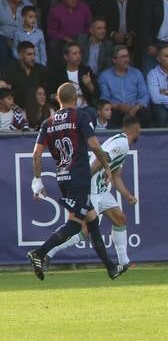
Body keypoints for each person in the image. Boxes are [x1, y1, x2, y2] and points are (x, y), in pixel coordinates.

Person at [25, 82, 120, 281]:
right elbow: (94, 145)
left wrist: (37, 179)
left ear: (58, 99)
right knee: (76, 224)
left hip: (63, 179)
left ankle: (112, 267)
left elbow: (36, 154)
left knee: (92, 222)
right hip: (79, 178)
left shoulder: (47, 123)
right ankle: (40, 253)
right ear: (75, 98)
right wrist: (107, 167)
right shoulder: (81, 116)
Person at [43, 113, 141, 272]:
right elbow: (102, 158)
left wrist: (127, 195)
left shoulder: (122, 142)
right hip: (93, 188)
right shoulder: (121, 143)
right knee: (83, 230)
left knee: (120, 219)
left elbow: (115, 174)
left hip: (102, 190)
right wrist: (85, 181)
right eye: (140, 129)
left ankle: (124, 263)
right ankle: (48, 253)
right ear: (136, 128)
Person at [96, 45, 148, 129]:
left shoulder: (136, 73)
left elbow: (145, 95)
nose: (127, 59)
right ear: (114, 60)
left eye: (127, 56)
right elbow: (104, 99)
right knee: (108, 114)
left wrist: (135, 107)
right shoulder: (105, 76)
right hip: (116, 110)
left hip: (134, 109)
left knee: (145, 113)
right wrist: (117, 106)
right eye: (123, 57)